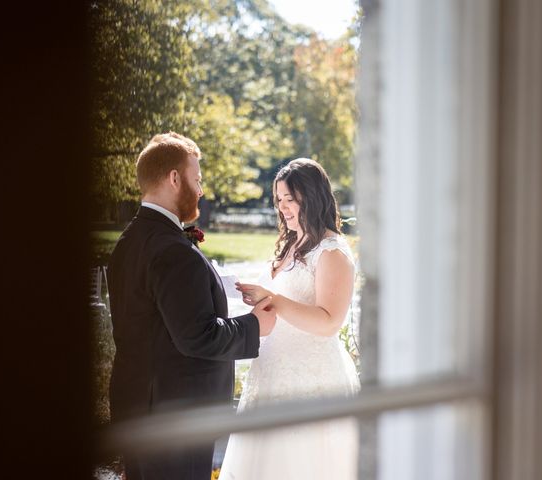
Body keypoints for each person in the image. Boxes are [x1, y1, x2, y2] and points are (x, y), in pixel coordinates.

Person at [107, 132, 277, 480]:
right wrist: (254, 325)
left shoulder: (129, 240)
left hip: (139, 410)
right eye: (196, 179)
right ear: (174, 178)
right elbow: (196, 336)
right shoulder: (172, 250)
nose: (200, 190)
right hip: (175, 420)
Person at [218, 158, 360, 480]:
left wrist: (276, 301)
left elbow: (328, 322)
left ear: (312, 197)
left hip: (310, 378)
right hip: (270, 369)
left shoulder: (331, 251)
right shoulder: (291, 243)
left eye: (290, 200)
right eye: (279, 200)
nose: (282, 208)